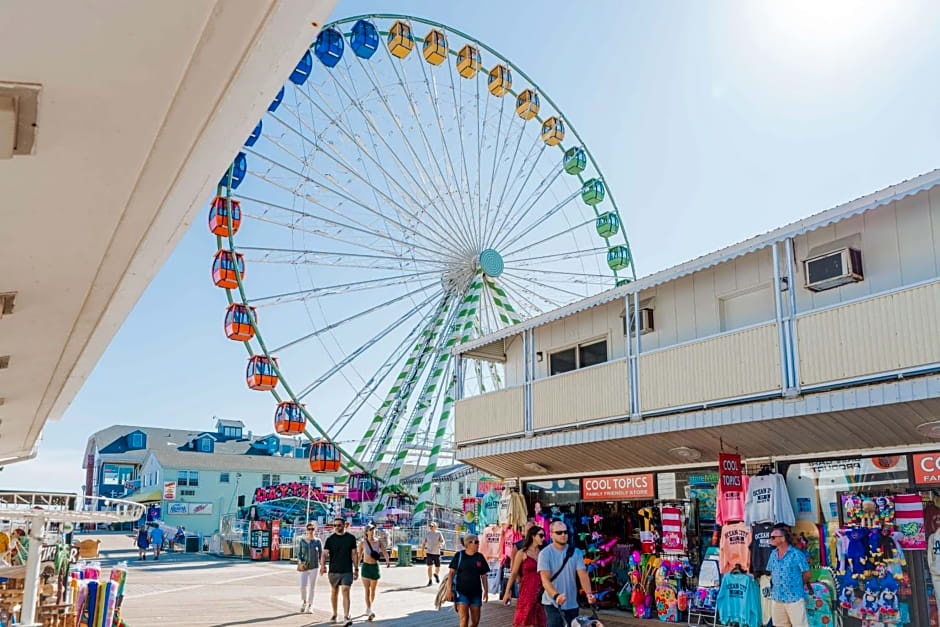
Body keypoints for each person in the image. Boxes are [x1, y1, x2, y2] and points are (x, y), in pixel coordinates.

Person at [538, 520, 596, 627]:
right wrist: (556, 596)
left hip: (571, 602)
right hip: (552, 603)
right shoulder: (545, 554)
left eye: (565, 532)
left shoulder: (576, 552)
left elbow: (582, 574)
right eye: (559, 532)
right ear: (551, 535)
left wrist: (589, 593)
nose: (563, 535)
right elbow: (545, 580)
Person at [502, 525, 547, 627]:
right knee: (524, 620)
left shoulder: (544, 553)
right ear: (532, 536)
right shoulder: (522, 553)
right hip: (527, 590)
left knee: (540, 620)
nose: (543, 538)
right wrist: (507, 592)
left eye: (544, 536)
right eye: (541, 535)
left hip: (541, 590)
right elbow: (514, 573)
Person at [767, 523, 810, 627]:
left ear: (783, 538)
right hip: (777, 598)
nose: (770, 539)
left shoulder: (797, 554)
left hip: (794, 597)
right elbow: (771, 571)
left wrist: (797, 585)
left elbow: (807, 574)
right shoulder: (773, 554)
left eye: (773, 537)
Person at [446, 534, 490, 627]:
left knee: (475, 621)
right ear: (468, 543)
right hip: (461, 592)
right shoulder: (459, 555)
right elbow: (451, 573)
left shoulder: (480, 557)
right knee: (464, 618)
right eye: (476, 542)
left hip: (476, 593)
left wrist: (486, 591)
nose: (478, 544)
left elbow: (484, 575)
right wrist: (449, 590)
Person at [321, 516, 359, 626]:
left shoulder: (351, 538)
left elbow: (354, 554)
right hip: (334, 570)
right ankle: (334, 613)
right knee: (334, 592)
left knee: (346, 590)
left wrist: (356, 569)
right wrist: (322, 566)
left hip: (347, 570)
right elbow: (324, 554)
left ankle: (346, 616)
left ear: (344, 525)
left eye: (339, 525)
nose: (336, 527)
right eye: (335, 525)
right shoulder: (330, 539)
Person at [359, 524, 389, 621]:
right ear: (366, 532)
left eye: (373, 529)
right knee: (367, 590)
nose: (372, 531)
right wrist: (355, 567)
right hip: (366, 567)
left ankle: (369, 607)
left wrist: (387, 560)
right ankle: (369, 609)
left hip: (374, 567)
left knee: (373, 590)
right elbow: (359, 555)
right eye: (370, 530)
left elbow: (384, 551)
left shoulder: (378, 541)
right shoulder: (363, 543)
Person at [298, 522, 323, 614]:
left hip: (314, 567)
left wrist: (322, 566)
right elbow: (299, 554)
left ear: (315, 530)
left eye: (312, 529)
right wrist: (300, 562)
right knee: (303, 586)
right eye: (309, 529)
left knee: (312, 587)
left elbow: (321, 555)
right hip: (304, 566)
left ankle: (310, 605)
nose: (310, 531)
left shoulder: (318, 541)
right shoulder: (302, 541)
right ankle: (304, 602)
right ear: (306, 530)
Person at [421, 521, 445, 586]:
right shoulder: (428, 534)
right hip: (429, 552)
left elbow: (442, 541)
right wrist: (422, 552)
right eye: (430, 526)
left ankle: (436, 574)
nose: (430, 527)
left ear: (435, 527)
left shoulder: (438, 533)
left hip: (436, 552)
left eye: (432, 526)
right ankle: (430, 580)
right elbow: (424, 543)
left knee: (438, 567)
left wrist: (441, 545)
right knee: (429, 566)